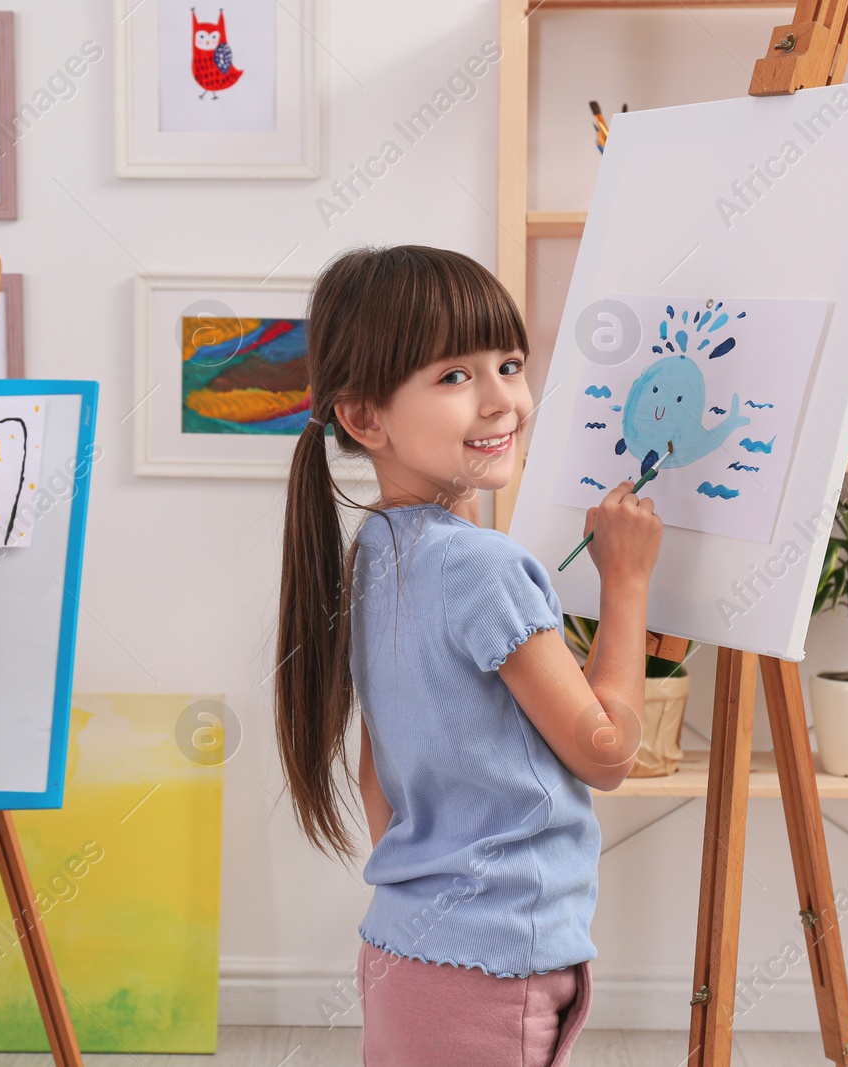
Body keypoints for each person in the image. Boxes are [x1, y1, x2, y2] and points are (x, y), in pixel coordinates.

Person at [273, 245, 663, 1066]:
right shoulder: (484, 566)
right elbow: (607, 752)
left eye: (509, 364)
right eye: (454, 376)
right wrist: (626, 582)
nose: (501, 400)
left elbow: (379, 771)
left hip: (408, 949)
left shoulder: (378, 551)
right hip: (491, 965)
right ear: (364, 418)